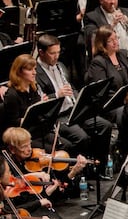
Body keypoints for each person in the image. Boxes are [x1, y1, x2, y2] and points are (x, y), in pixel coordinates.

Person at [35, 34, 113, 180]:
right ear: (41, 52)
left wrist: (78, 97)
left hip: (73, 109)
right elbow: (39, 101)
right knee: (81, 137)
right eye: (52, 53)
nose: (56, 57)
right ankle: (78, 176)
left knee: (104, 126)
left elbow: (70, 86)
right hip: (57, 117)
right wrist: (56, 95)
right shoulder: (35, 72)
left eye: (58, 52)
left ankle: (98, 170)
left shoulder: (58, 65)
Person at [85, 26, 128, 117]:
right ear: (102, 44)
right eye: (110, 41)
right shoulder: (98, 62)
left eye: (116, 38)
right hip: (110, 106)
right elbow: (102, 91)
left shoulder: (123, 54)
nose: (115, 42)